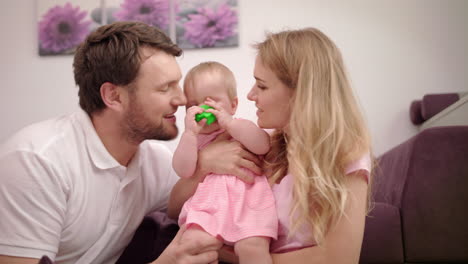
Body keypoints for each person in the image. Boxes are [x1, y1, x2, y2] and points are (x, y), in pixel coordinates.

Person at [0, 21, 262, 264]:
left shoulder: (154, 162)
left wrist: (203, 166)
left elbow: (193, 212)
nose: (183, 100)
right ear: (114, 96)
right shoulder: (35, 162)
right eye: (164, 88)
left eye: (178, 85)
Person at [174, 28, 373, 263]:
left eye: (262, 86)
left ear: (300, 92)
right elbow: (172, 207)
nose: (250, 95)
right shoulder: (261, 144)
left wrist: (236, 254)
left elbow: (340, 257)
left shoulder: (346, 154)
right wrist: (204, 164)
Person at [170, 62, 277, 264]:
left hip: (248, 204)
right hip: (209, 205)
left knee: (252, 248)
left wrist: (229, 123)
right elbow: (183, 170)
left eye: (211, 102)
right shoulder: (194, 140)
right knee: (193, 244)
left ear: (233, 105)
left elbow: (263, 146)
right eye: (193, 104)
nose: (202, 109)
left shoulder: (241, 128)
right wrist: (190, 134)